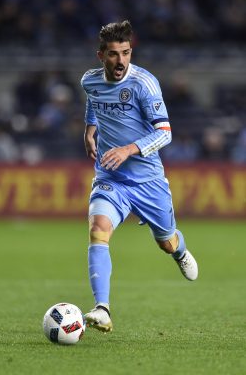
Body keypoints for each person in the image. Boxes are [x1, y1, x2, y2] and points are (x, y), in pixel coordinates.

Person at [80, 20, 198, 333]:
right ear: (100, 55)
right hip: (111, 177)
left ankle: (181, 250)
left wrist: (128, 149)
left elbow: (165, 133)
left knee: (166, 243)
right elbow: (94, 101)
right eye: (113, 54)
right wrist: (90, 128)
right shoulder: (89, 81)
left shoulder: (144, 84)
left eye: (126, 53)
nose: (120, 61)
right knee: (98, 229)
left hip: (148, 181)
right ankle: (102, 308)